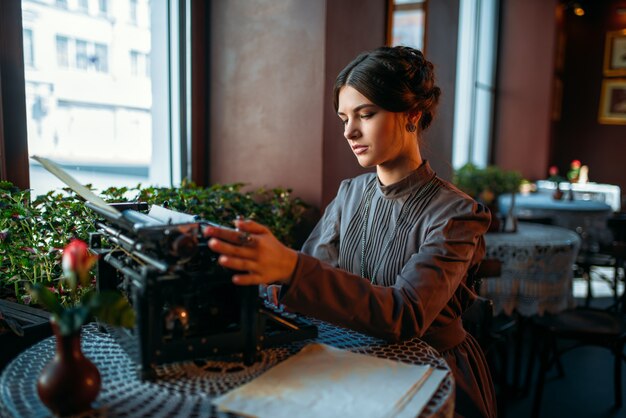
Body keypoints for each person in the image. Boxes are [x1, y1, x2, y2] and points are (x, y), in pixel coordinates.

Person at [204, 45, 496, 418]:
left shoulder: (458, 214)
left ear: (412, 114)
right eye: (344, 118)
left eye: (365, 114)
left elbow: (404, 316)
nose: (350, 131)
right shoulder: (350, 193)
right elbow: (305, 281)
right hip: (352, 363)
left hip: (433, 377)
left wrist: (292, 268)